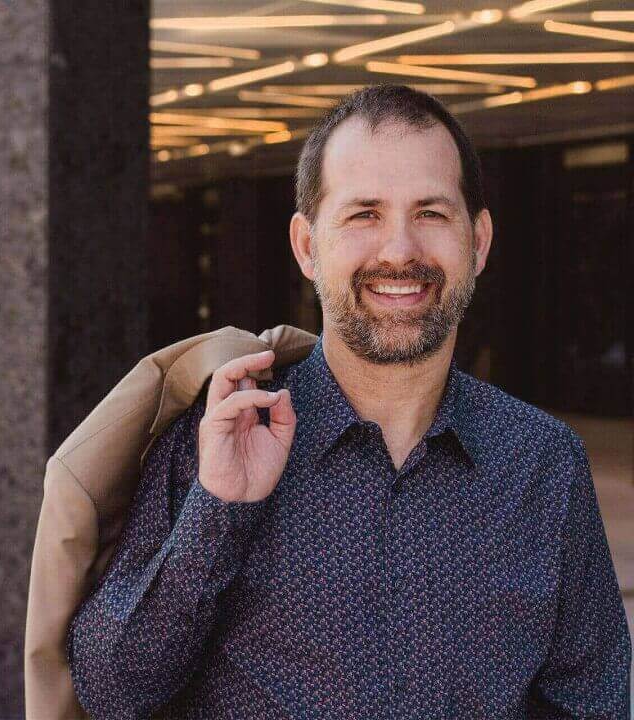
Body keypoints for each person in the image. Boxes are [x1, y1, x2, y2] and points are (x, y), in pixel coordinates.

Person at [67, 84, 632, 719]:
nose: (399, 251)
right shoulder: (219, 435)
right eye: (364, 214)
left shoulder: (544, 465)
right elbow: (112, 692)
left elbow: (591, 701)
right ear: (307, 246)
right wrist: (217, 513)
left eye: (431, 214)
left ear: (479, 241)